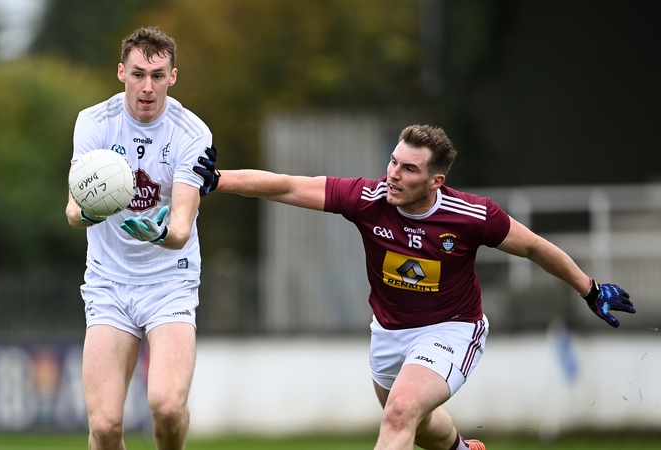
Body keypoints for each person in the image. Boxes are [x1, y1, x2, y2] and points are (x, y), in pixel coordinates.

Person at [194, 124, 635, 450]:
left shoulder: (472, 216)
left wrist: (590, 289)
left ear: (435, 181)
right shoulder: (367, 200)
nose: (393, 174)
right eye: (392, 161)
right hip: (388, 334)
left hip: (452, 329)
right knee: (419, 424)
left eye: (408, 169)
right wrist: (220, 179)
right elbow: (291, 186)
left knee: (400, 412)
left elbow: (536, 248)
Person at [65, 26, 213, 450]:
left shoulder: (192, 133)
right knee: (106, 426)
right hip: (109, 282)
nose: (147, 87)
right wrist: (92, 209)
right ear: (120, 72)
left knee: (167, 408)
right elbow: (74, 212)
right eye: (137, 74)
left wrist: (160, 232)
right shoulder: (93, 123)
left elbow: (182, 229)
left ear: (173, 76)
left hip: (169, 282)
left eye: (158, 75)